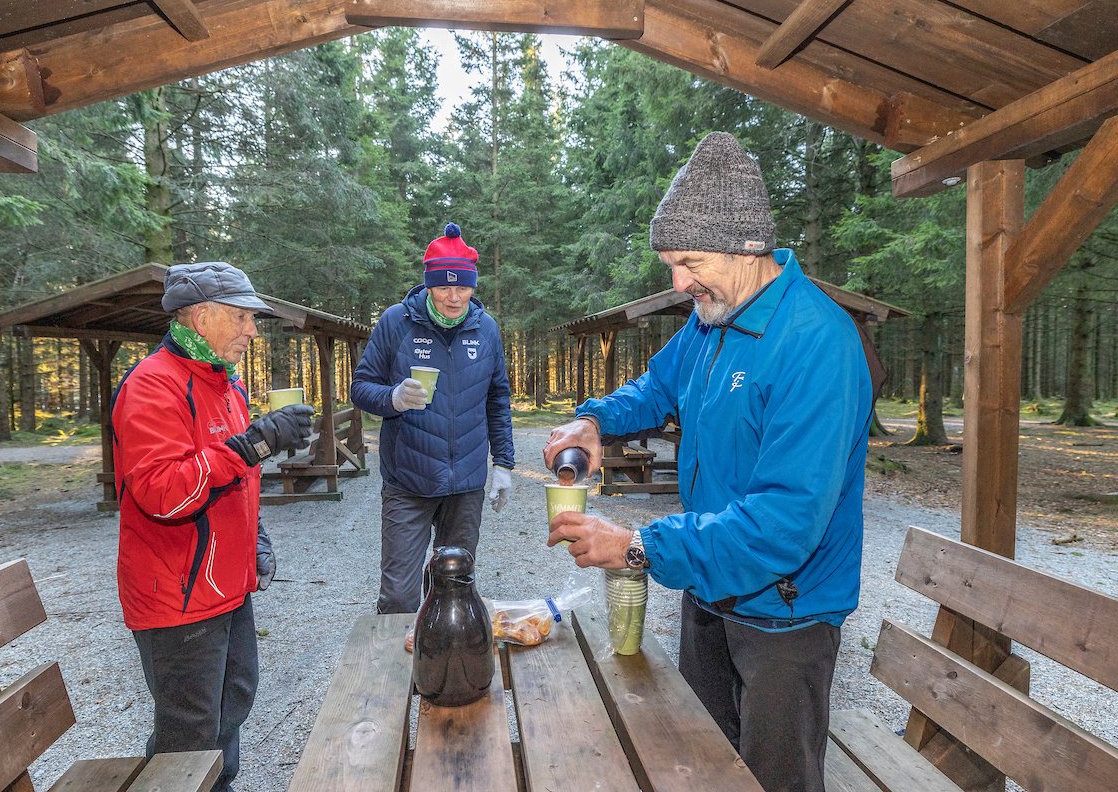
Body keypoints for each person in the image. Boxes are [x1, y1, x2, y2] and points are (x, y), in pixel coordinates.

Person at [543, 133, 874, 792]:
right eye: (670, 262)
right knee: (702, 763)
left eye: (689, 260)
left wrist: (639, 545)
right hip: (709, 587)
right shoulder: (711, 317)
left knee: (775, 779)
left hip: (787, 614)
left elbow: (784, 523)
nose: (678, 281)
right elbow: (660, 386)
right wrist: (596, 418)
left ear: (749, 248)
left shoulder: (817, 344)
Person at [112, 262, 314, 792]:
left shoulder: (225, 383)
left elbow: (235, 481)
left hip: (225, 586)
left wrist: (257, 541)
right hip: (176, 595)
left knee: (230, 706)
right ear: (202, 317)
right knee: (189, 733)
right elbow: (162, 493)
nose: (253, 330)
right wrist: (256, 442)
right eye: (243, 317)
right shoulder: (153, 385)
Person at [351, 223, 515, 614]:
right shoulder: (396, 322)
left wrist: (505, 464)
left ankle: (446, 670)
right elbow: (361, 388)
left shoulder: (486, 329)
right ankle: (397, 674)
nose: (454, 298)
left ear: (474, 287)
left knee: (455, 588)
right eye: (443, 287)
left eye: (463, 288)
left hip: (465, 486)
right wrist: (393, 398)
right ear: (428, 285)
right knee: (398, 597)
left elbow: (498, 398)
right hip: (408, 480)